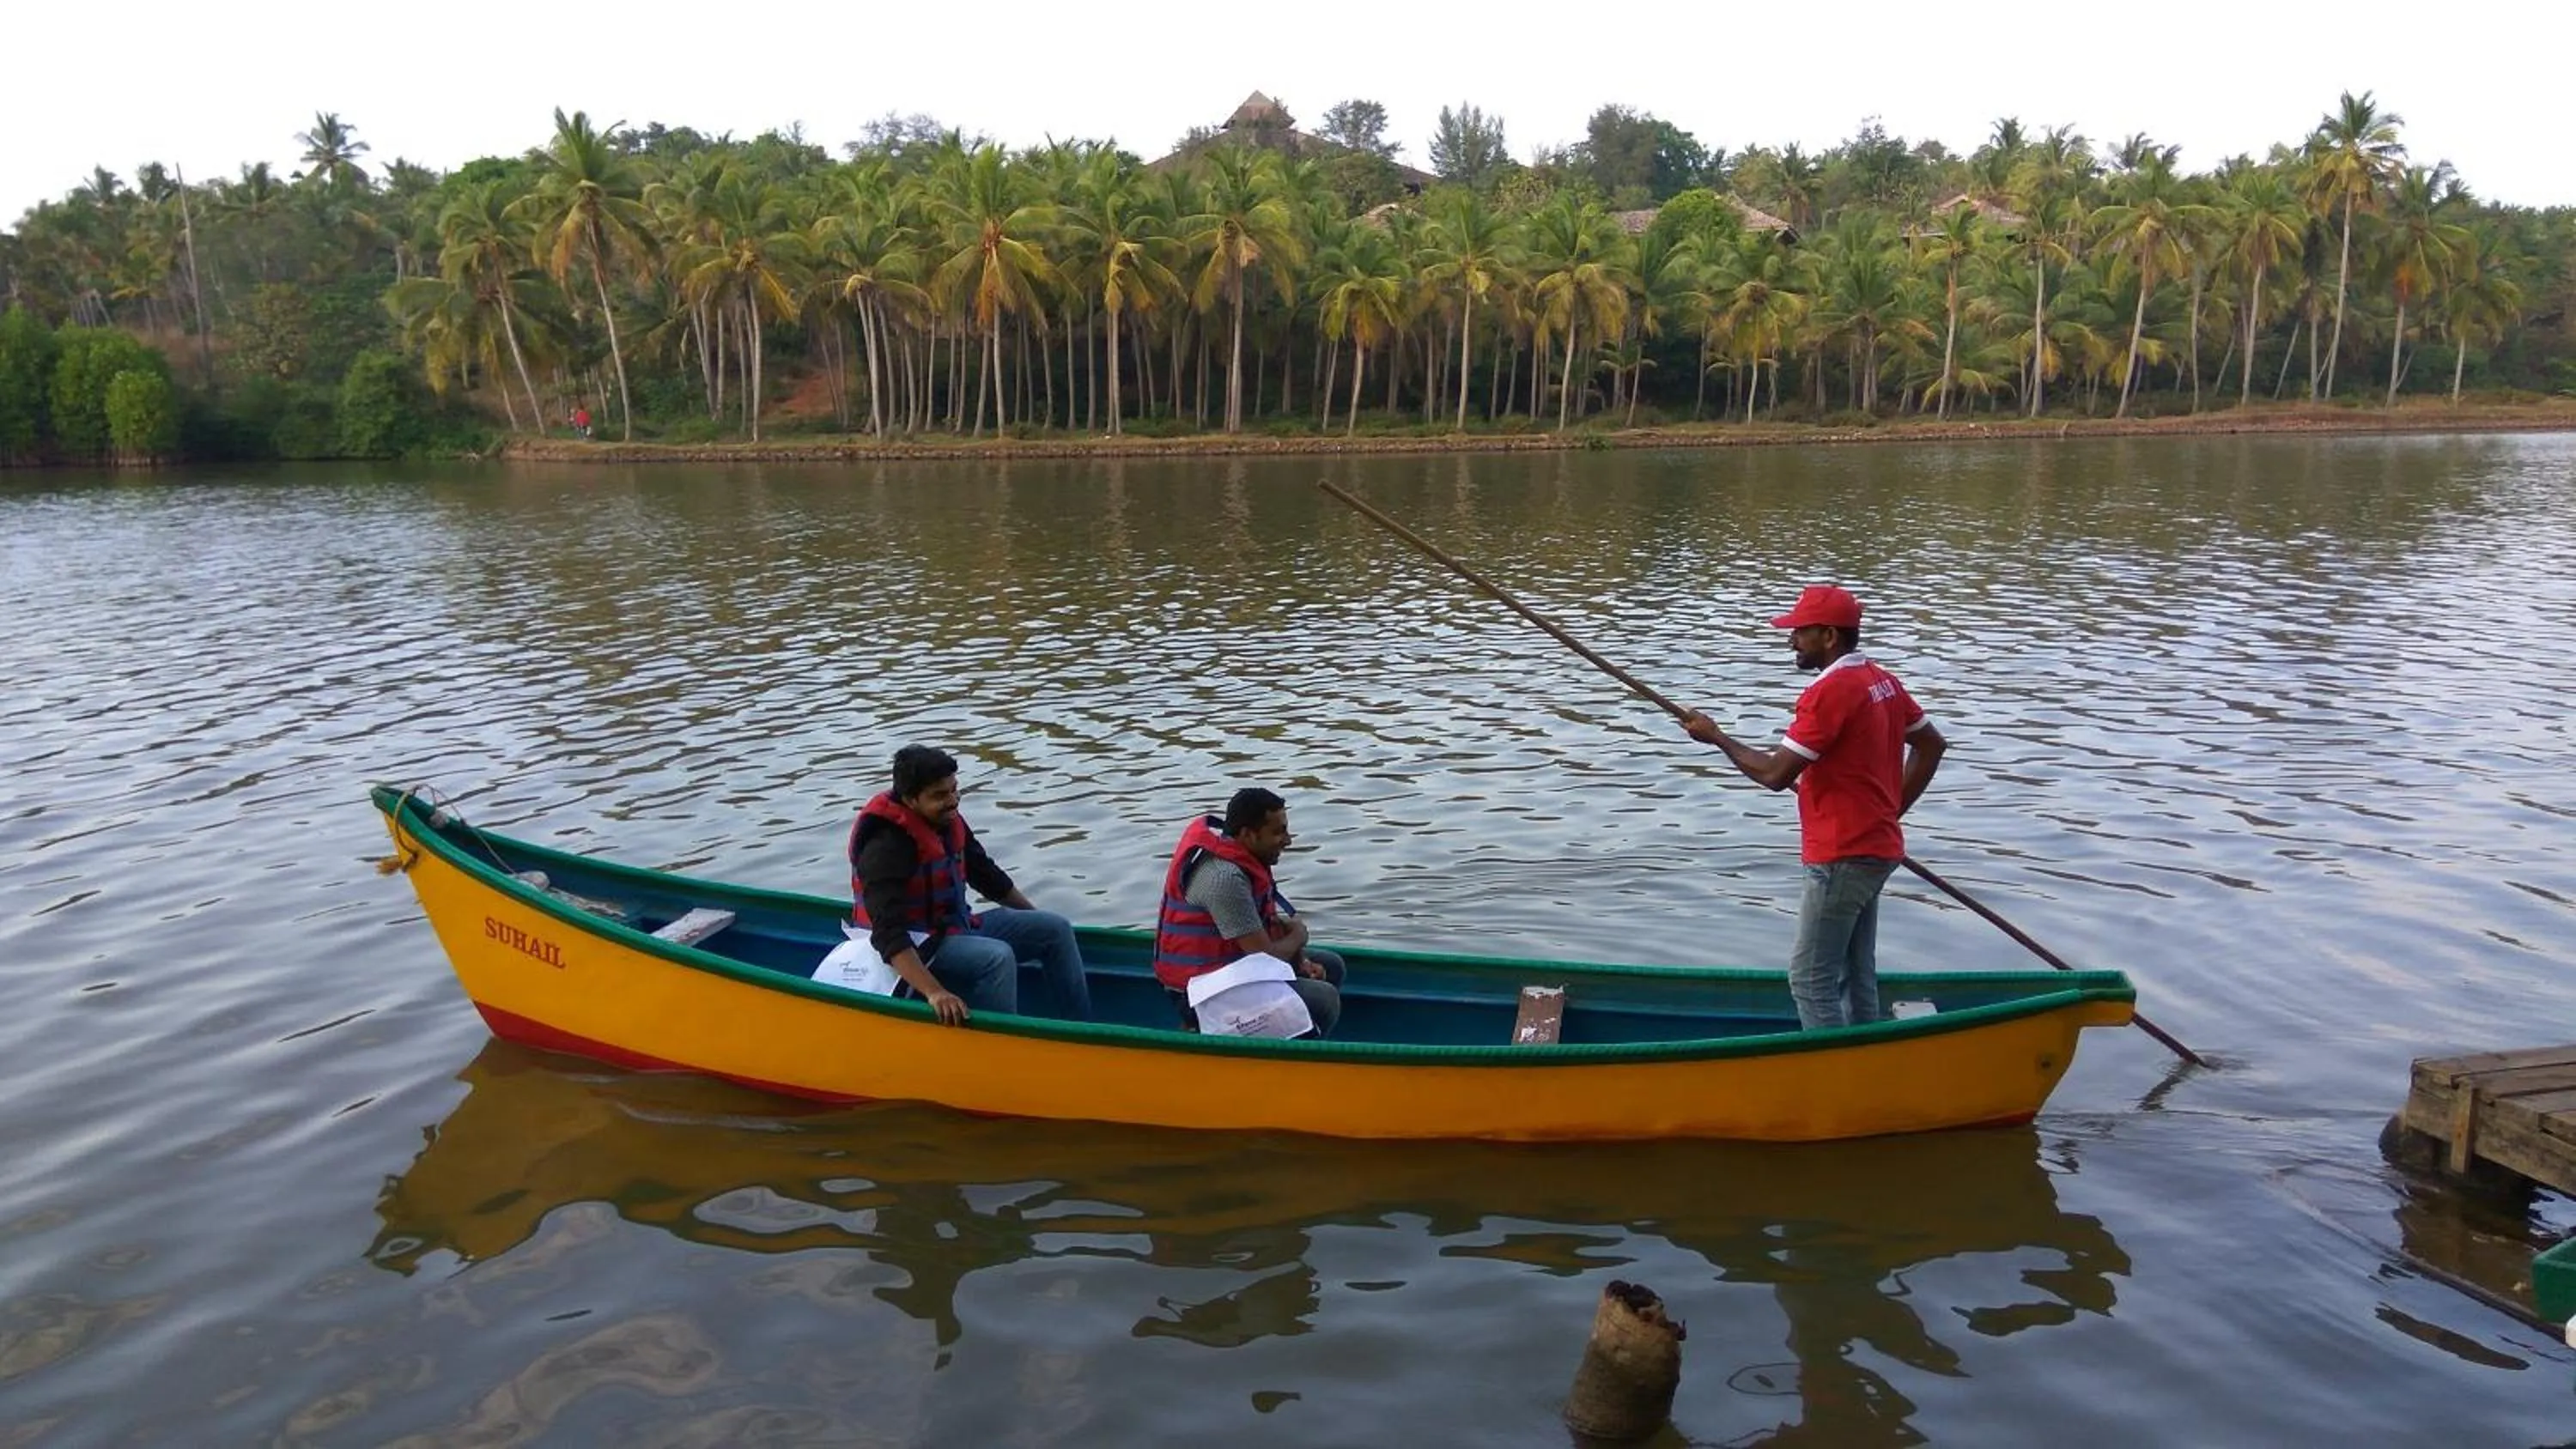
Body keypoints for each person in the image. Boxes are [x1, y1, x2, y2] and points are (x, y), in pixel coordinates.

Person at [1679, 585, 1947, 1029]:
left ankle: (1838, 1083)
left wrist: (1716, 737)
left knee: (1809, 978)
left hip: (1841, 854)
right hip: (1876, 848)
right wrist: (1886, 813)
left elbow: (1774, 774)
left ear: (1829, 636)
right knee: (1854, 972)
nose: (1791, 641)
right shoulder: (1881, 680)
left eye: (1800, 633)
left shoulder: (1831, 691)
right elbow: (1931, 745)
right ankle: (1866, 1061)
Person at [848, 744, 1093, 1026]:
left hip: (951, 928)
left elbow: (988, 877)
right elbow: (887, 933)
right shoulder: (885, 846)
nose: (952, 801)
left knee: (1055, 929)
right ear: (911, 800)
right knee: (997, 958)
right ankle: (1001, 1046)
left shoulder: (946, 820)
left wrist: (1033, 916)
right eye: (940, 795)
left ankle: (1082, 1029)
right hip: (914, 945)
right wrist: (935, 993)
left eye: (954, 789)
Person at [1151, 788, 1346, 1038]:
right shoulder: (1224, 878)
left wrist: (1301, 961)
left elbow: (1263, 936)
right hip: (1199, 992)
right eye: (1278, 832)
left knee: (1332, 965)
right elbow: (1266, 956)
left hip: (1229, 968)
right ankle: (1295, 1062)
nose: (1288, 840)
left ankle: (1296, 1035)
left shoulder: (1242, 859)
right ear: (1247, 834)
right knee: (1324, 999)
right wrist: (1298, 936)